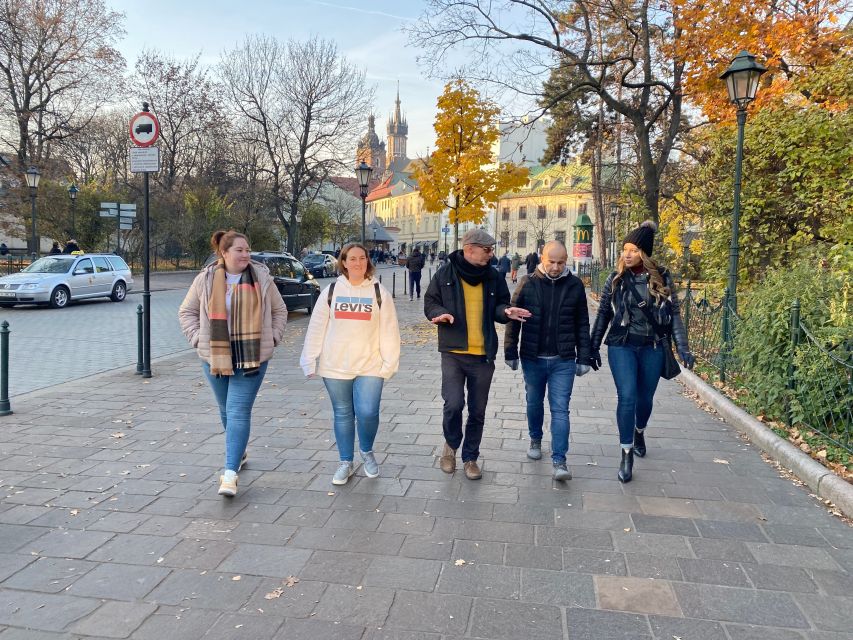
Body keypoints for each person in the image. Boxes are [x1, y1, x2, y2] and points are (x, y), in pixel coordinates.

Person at [179, 230, 288, 497]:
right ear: (224, 253)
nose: (245, 255)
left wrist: (272, 337)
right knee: (225, 410)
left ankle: (229, 473)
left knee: (237, 410)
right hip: (214, 356)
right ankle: (238, 451)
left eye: (248, 250)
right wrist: (197, 339)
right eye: (239, 250)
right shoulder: (205, 279)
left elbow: (279, 310)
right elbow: (187, 312)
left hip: (251, 357)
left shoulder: (261, 277)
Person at [590, 221, 695, 483]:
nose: (627, 254)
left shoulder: (661, 277)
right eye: (625, 249)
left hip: (653, 346)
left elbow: (674, 315)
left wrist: (683, 347)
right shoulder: (615, 280)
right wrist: (591, 347)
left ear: (644, 254)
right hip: (622, 345)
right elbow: (603, 313)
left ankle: (639, 430)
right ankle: (626, 452)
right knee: (627, 396)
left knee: (644, 399)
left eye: (634, 250)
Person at [424, 229, 531, 480]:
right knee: (453, 404)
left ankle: (470, 457)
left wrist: (506, 312)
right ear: (470, 248)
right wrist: (437, 314)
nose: (491, 254)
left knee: (477, 409)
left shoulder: (493, 276)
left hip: (483, 355)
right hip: (453, 351)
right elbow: (430, 302)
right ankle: (450, 447)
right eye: (487, 249)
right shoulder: (445, 273)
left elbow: (500, 306)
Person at [301, 243, 400, 485]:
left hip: (371, 365)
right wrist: (309, 359)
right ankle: (346, 461)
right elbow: (317, 326)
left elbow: (390, 331)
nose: (358, 263)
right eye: (352, 259)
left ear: (368, 261)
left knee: (367, 412)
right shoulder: (332, 290)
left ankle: (366, 451)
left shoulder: (379, 292)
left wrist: (389, 365)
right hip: (336, 365)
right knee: (343, 413)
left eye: (362, 258)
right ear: (343, 262)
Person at [504, 241, 592, 481]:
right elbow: (513, 318)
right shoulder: (527, 283)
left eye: (560, 262)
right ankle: (535, 438)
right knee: (534, 402)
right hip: (533, 357)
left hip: (563, 359)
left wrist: (584, 356)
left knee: (560, 408)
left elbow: (582, 324)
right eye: (551, 261)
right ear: (542, 258)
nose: (555, 267)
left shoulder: (574, 285)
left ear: (566, 262)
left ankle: (559, 460)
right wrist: (510, 352)